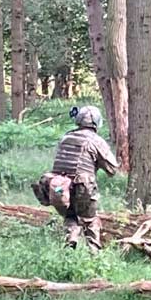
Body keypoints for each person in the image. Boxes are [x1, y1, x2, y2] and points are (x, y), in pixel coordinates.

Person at [33, 106, 118, 249]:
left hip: (60, 188)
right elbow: (112, 169)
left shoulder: (66, 137)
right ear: (97, 122)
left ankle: (70, 245)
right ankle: (94, 255)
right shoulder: (95, 140)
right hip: (82, 187)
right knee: (90, 220)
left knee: (71, 217)